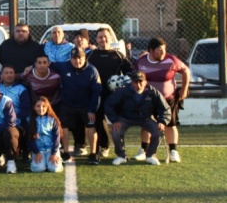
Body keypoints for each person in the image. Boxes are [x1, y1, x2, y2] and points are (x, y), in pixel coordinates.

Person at [134, 37, 190, 163]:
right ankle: (143, 150)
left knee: (170, 124)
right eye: (159, 50)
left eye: (164, 50)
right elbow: (135, 77)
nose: (162, 53)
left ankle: (173, 151)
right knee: (146, 124)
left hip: (168, 99)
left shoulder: (171, 60)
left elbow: (186, 70)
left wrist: (184, 89)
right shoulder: (141, 62)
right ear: (150, 50)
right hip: (148, 99)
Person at [86, 27, 134, 162]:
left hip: (115, 95)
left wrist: (124, 82)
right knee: (99, 121)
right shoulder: (91, 55)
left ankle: (121, 151)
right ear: (96, 39)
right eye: (100, 37)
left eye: (105, 36)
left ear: (110, 38)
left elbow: (130, 71)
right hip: (97, 94)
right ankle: (104, 147)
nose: (103, 39)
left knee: (118, 122)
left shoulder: (118, 55)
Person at [105, 71, 171, 166]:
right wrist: (115, 120)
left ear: (145, 82)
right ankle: (121, 156)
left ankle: (150, 156)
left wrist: (162, 121)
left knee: (158, 130)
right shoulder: (122, 91)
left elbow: (165, 108)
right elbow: (109, 105)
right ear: (132, 82)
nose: (139, 85)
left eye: (141, 82)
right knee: (116, 131)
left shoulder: (152, 92)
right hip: (125, 118)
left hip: (145, 118)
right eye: (136, 82)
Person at [51, 47, 102, 164]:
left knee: (91, 126)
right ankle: (65, 153)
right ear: (70, 58)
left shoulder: (92, 70)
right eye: (74, 58)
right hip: (67, 104)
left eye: (80, 58)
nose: (77, 61)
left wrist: (92, 109)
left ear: (85, 58)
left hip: (86, 105)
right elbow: (47, 64)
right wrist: (32, 67)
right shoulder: (63, 66)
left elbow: (96, 92)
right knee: (63, 127)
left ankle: (93, 154)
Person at [0, 65, 31, 161]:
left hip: (17, 121)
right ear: (1, 76)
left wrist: (13, 118)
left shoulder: (21, 89)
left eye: (11, 73)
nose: (9, 75)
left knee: (29, 121)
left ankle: (26, 152)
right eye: (6, 73)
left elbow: (26, 108)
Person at [29, 96, 63, 173]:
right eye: (38, 106)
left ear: (48, 107)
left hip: (51, 149)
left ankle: (55, 160)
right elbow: (29, 139)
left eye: (44, 106)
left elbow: (56, 137)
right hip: (38, 150)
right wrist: (36, 152)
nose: (41, 109)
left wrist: (54, 153)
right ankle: (39, 162)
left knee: (54, 169)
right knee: (39, 169)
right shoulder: (29, 120)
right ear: (34, 107)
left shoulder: (53, 120)